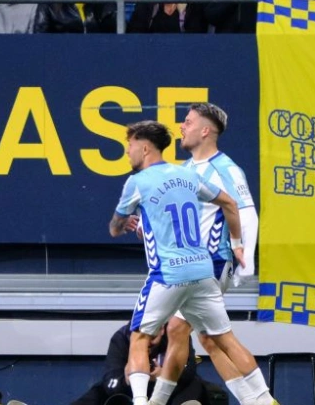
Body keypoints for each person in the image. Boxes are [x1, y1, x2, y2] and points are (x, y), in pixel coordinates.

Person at [108, 120, 278, 405]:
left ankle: (142, 403)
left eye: (130, 145)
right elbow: (229, 203)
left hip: (169, 274)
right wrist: (239, 244)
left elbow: (115, 226)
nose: (127, 152)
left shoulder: (137, 182)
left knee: (138, 337)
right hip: (201, 270)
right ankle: (263, 400)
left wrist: (122, 224)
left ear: (145, 146)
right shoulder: (186, 175)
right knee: (221, 339)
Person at [154, 103, 261, 405]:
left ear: (205, 130)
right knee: (209, 341)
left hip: (213, 260)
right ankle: (258, 401)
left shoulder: (225, 169)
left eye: (187, 122)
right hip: (189, 265)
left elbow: (247, 213)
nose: (180, 127)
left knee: (179, 328)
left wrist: (246, 260)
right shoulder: (185, 171)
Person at [69, 323, 206, 405]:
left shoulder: (176, 335)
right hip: (129, 391)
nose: (147, 343)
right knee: (97, 391)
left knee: (194, 383)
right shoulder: (121, 338)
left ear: (163, 329)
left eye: (152, 338)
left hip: (169, 387)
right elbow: (110, 380)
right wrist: (127, 381)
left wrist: (165, 375)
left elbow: (190, 370)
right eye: (142, 339)